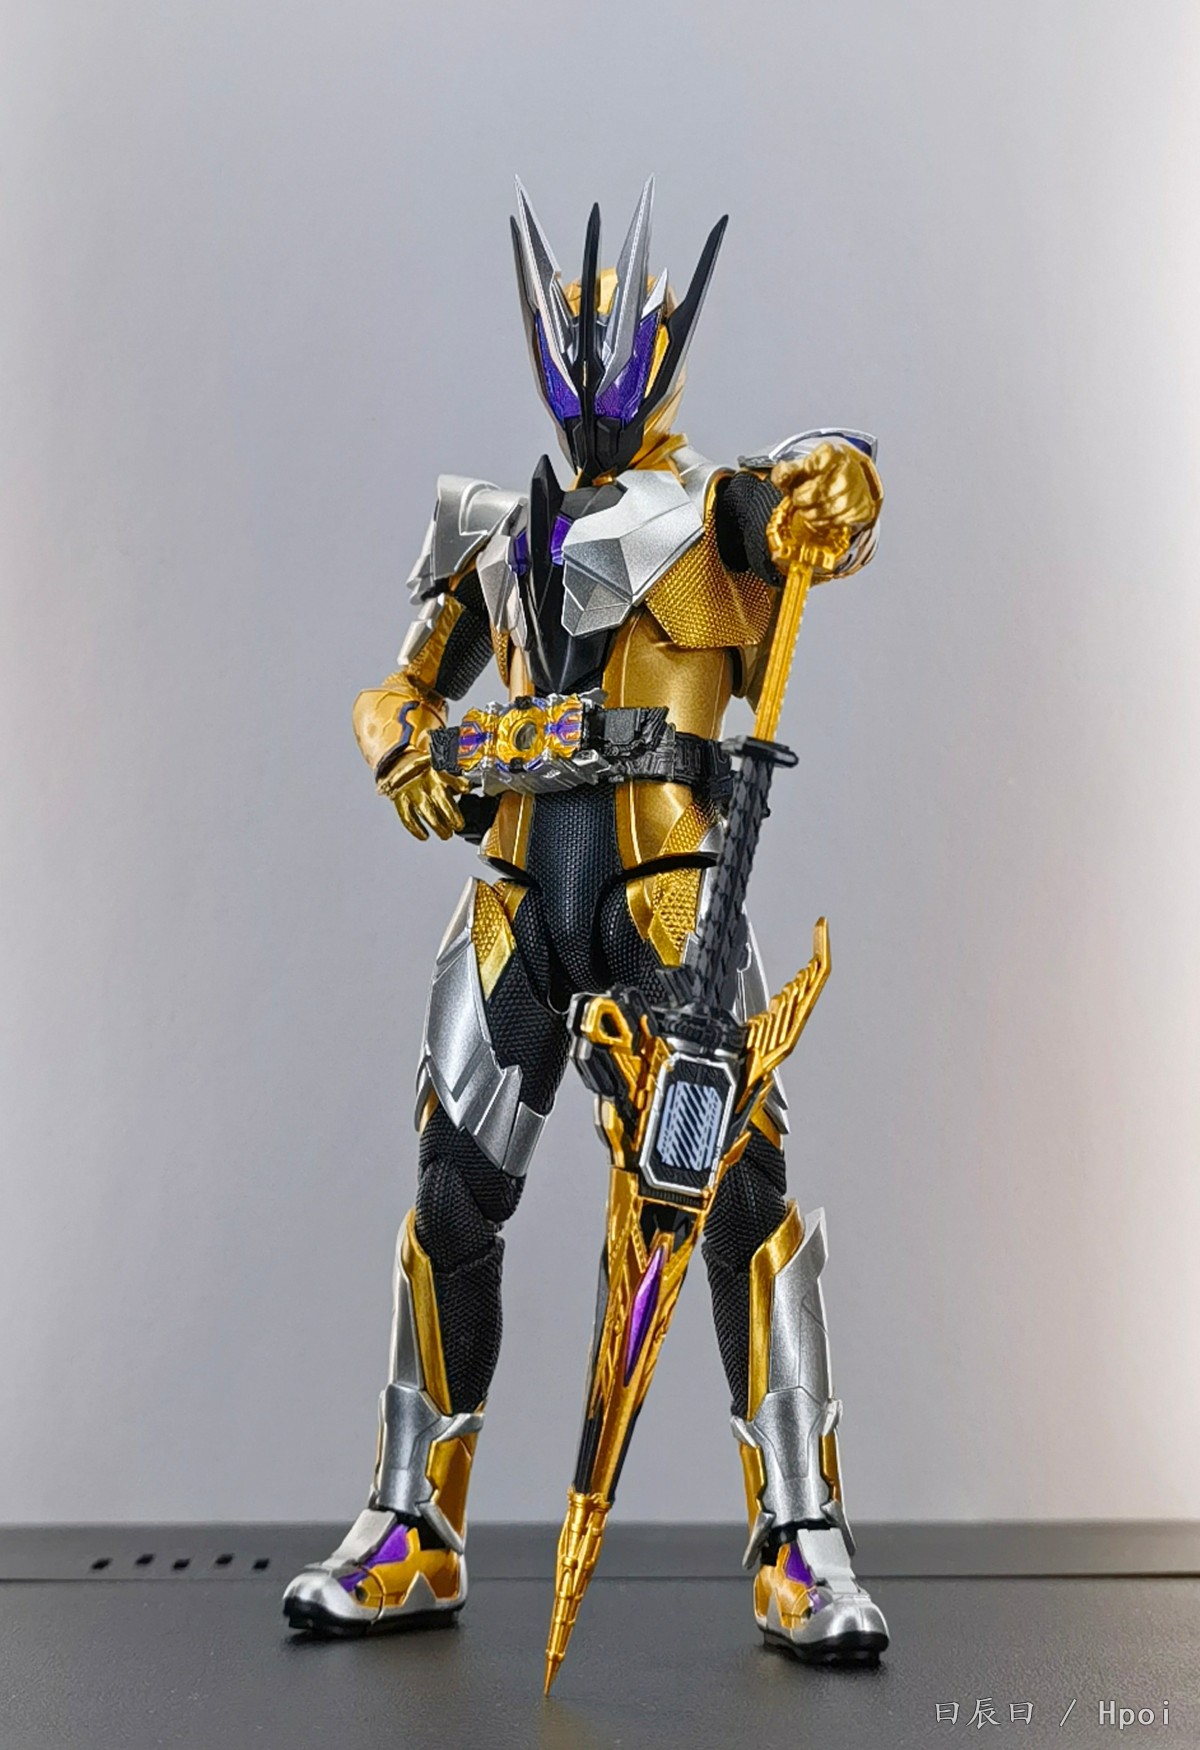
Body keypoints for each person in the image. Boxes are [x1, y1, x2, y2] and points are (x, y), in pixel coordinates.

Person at [283, 178, 888, 1664]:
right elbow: (399, 687)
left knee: (740, 1192)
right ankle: (413, 1526)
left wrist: (835, 481)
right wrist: (403, 744)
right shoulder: (494, 531)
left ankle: (803, 1537)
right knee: (451, 1199)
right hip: (517, 902)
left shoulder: (712, 514)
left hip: (670, 903)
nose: (598, 381)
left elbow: (820, 504)